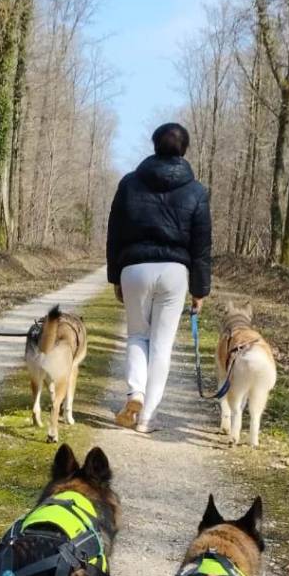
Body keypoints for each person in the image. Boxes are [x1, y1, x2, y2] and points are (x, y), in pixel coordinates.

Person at [105, 122, 211, 435]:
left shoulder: (129, 184)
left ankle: (135, 392)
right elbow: (202, 246)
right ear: (185, 149)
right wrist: (200, 290)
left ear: (154, 145)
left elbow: (114, 234)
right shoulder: (196, 191)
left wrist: (115, 277)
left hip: (134, 268)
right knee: (162, 346)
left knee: (137, 336)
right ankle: (147, 418)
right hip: (174, 272)